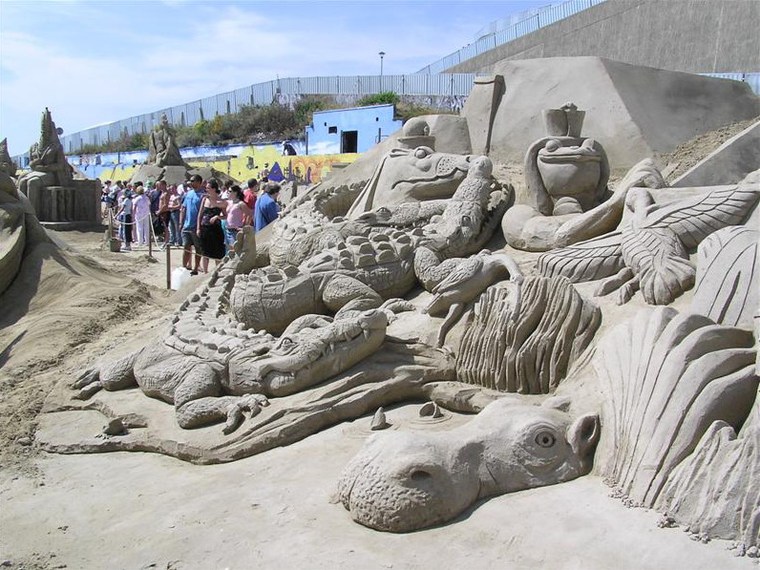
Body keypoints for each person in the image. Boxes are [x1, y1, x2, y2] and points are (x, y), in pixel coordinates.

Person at [197, 179, 227, 272]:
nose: (206, 190)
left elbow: (226, 216)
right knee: (205, 251)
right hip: (205, 227)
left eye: (208, 188)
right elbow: (200, 214)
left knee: (217, 252)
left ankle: (217, 272)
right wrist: (198, 228)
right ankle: (205, 272)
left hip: (216, 229)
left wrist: (218, 217)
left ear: (214, 189)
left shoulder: (221, 200)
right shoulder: (204, 199)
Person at [180, 174, 204, 275]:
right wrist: (181, 222)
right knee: (186, 246)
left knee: (198, 248)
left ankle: (196, 267)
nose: (191, 182)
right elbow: (183, 208)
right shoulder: (188, 194)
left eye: (193, 181)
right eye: (190, 181)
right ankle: (184, 267)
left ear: (199, 182)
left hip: (196, 226)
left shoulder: (203, 195)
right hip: (186, 225)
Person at [133, 182, 152, 246]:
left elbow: (134, 207)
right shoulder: (146, 197)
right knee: (146, 228)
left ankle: (140, 242)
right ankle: (147, 242)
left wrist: (133, 214)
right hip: (146, 214)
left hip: (139, 215)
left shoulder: (137, 198)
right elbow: (149, 204)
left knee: (139, 228)